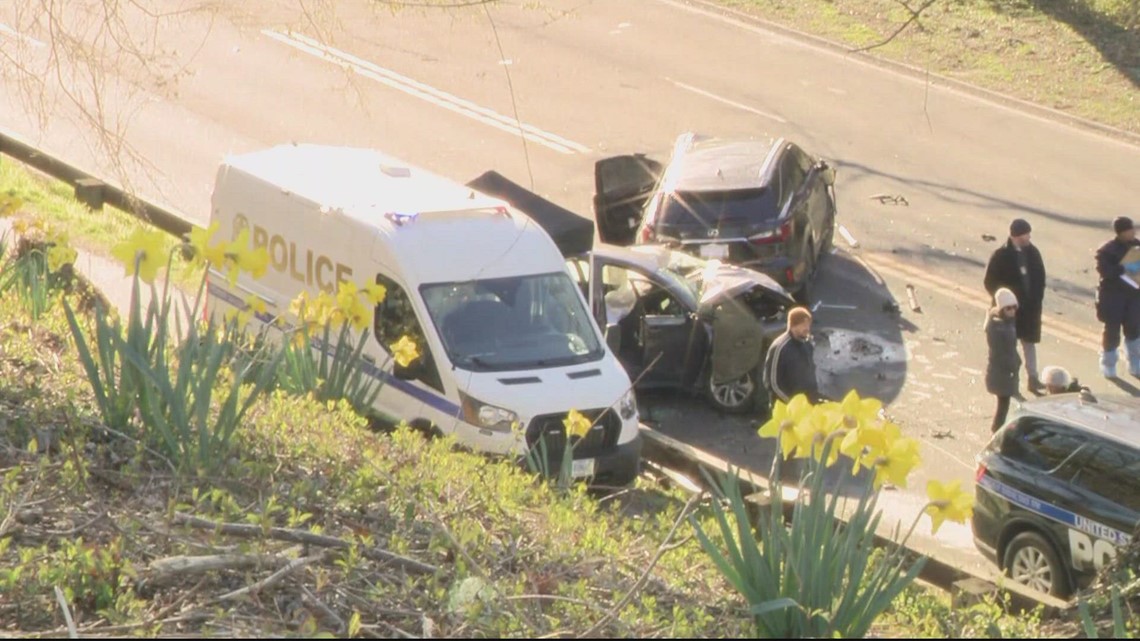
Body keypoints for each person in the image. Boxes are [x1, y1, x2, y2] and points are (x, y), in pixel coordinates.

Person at [984, 218, 1047, 392]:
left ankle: (1033, 378)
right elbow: (990, 282)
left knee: (1029, 344)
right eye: (1024, 235)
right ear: (1015, 236)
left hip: (1029, 308)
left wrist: (1036, 299)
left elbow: (1040, 278)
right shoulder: (1001, 255)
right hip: (1008, 309)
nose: (1028, 238)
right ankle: (1013, 382)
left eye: (1028, 234)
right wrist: (1004, 301)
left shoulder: (1033, 252)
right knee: (1009, 349)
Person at [1095, 216, 1140, 378]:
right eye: (1129, 230)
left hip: (1134, 296)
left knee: (1134, 331)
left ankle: (1135, 364)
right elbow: (1105, 271)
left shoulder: (1137, 246)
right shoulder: (1107, 251)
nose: (1133, 232)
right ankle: (1108, 364)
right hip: (1113, 298)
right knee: (1112, 332)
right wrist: (1123, 268)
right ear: (1120, 232)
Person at [763, 307, 822, 406]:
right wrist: (791, 403)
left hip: (806, 406)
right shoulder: (780, 347)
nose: (807, 328)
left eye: (808, 325)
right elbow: (772, 383)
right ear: (793, 325)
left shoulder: (807, 344)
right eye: (803, 325)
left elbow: (810, 375)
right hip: (786, 408)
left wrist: (814, 399)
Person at [985, 288, 1021, 433]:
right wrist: (1013, 364)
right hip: (1002, 372)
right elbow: (1003, 351)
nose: (1012, 311)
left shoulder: (1007, 323)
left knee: (1004, 403)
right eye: (1008, 308)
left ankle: (998, 428)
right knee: (1003, 404)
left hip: (1005, 371)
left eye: (1014, 308)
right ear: (1001, 309)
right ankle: (997, 430)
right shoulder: (1000, 327)